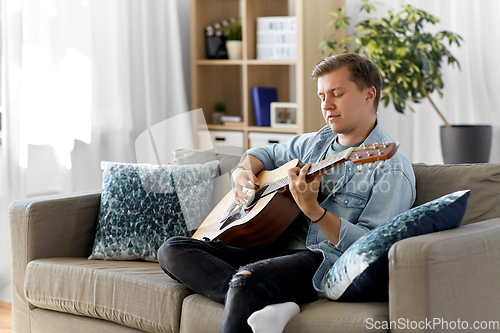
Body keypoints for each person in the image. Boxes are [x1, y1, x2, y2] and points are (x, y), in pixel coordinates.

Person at [158, 53, 416, 333]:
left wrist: (313, 211)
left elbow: (371, 248)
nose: (327, 105)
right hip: (269, 244)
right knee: (172, 249)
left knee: (249, 280)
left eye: (337, 94)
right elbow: (265, 153)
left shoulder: (389, 167)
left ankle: (251, 291)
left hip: (318, 259)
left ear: (369, 95)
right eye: (321, 96)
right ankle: (263, 301)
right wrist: (242, 171)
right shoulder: (318, 141)